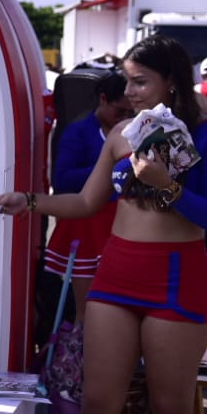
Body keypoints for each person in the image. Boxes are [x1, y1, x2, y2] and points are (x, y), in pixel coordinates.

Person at [0, 35, 207, 414]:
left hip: (177, 278)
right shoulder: (123, 132)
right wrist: (29, 201)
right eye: (127, 80)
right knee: (99, 401)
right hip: (116, 274)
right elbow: (84, 202)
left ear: (172, 79)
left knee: (171, 410)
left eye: (140, 80)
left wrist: (167, 183)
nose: (130, 91)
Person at [42, 72, 129, 317]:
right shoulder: (78, 132)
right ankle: (81, 352)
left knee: (117, 307)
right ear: (103, 99)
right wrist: (108, 166)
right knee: (89, 309)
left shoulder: (130, 131)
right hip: (87, 227)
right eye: (119, 111)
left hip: (120, 226)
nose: (124, 118)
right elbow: (63, 179)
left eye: (129, 113)